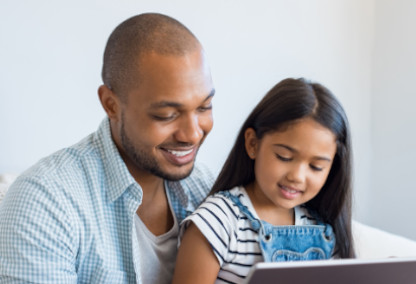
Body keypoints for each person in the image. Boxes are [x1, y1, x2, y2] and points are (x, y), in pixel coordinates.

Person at [0, 13, 215, 283]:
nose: (193, 133)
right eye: (167, 115)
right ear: (111, 105)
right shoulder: (45, 202)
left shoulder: (209, 190)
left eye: (204, 107)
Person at [172, 78, 355, 284]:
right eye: (284, 157)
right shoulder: (219, 222)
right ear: (252, 144)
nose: (297, 176)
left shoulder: (323, 230)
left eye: (316, 167)